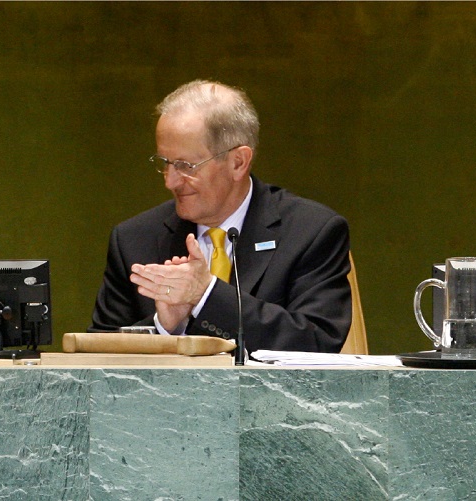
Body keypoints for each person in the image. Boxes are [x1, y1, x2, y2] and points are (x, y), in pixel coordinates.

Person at [90, 80, 352, 353]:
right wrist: (165, 328)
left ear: (238, 162)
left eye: (185, 166)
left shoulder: (310, 232)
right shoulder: (134, 240)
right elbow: (98, 358)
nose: (170, 181)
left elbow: (317, 343)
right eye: (165, 164)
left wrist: (206, 294)